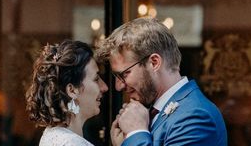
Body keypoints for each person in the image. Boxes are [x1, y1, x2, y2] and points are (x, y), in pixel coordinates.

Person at [97, 17, 227, 146]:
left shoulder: (195, 117)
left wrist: (135, 133)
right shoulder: (154, 112)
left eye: (124, 74)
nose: (118, 86)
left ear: (154, 63)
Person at [26, 40, 109, 146]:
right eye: (96, 79)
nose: (105, 87)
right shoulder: (71, 143)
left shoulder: (53, 135)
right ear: (72, 90)